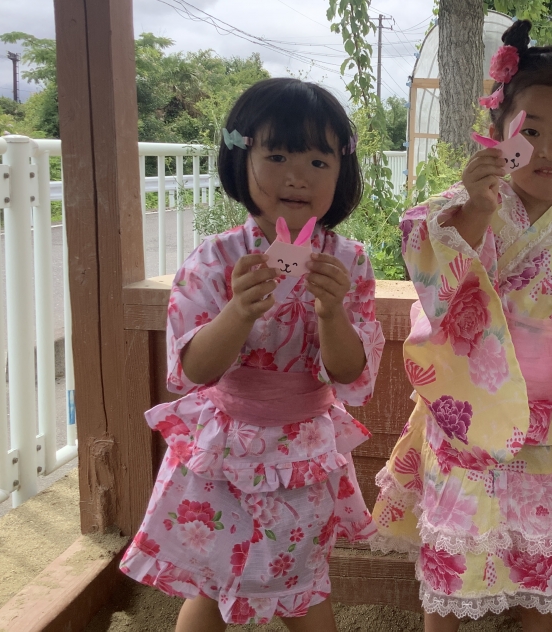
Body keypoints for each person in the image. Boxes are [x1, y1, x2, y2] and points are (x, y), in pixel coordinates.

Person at [371, 21, 552, 632]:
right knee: (454, 555)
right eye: (531, 131)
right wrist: (476, 213)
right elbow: (433, 271)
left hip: (551, 423)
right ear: (500, 130)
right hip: (467, 416)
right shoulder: (462, 206)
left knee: (545, 560)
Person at [119, 78, 385, 631]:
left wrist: (332, 313)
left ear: (342, 172)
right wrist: (239, 310)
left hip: (304, 450)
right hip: (224, 449)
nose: (297, 176)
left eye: (318, 161)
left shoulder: (348, 262)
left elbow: (349, 373)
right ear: (240, 160)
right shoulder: (216, 259)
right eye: (277, 156)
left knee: (303, 580)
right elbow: (193, 370)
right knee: (213, 584)